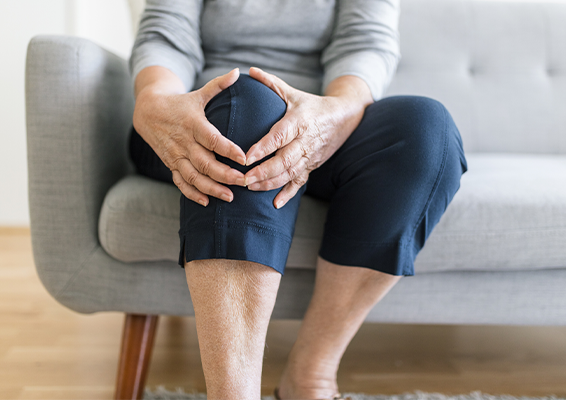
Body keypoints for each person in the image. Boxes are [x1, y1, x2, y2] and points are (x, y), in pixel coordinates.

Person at [128, 0, 468, 399]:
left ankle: (309, 379)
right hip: (203, 127)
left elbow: (364, 41)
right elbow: (168, 34)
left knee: (426, 129)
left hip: (322, 120)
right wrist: (155, 101)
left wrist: (332, 113)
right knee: (251, 101)